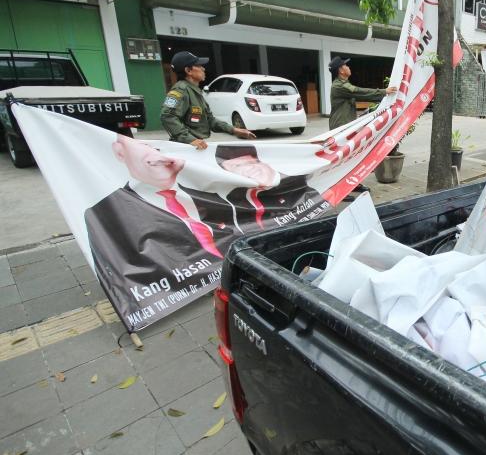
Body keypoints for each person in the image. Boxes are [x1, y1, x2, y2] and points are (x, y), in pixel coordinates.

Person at [84, 135, 237, 328]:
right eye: (145, 147)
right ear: (120, 153)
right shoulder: (106, 213)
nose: (157, 156)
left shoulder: (212, 194)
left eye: (159, 149)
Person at [183, 145, 325, 234]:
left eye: (252, 162)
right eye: (238, 167)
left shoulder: (298, 186)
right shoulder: (223, 206)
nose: (250, 168)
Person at [328, 56, 397, 193]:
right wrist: (384, 92)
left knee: (349, 157)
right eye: (346, 66)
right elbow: (360, 92)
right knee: (342, 159)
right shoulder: (339, 86)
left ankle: (352, 185)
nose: (348, 67)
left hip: (346, 125)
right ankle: (339, 190)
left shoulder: (342, 84)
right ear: (341, 70)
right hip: (340, 127)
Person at [161, 51, 256, 149]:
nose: (203, 68)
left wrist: (234, 130)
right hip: (185, 147)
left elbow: (210, 120)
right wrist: (190, 139)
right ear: (188, 70)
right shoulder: (181, 90)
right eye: (198, 65)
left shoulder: (195, 91)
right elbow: (168, 116)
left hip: (194, 146)